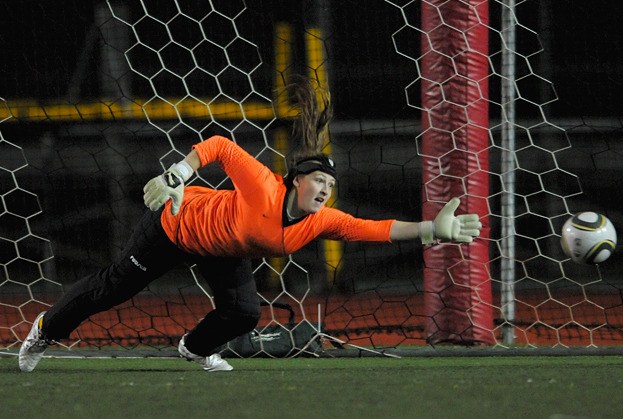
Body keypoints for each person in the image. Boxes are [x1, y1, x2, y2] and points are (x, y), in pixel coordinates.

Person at [18, 81, 482, 373]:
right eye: (318, 180)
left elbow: (375, 228)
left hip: (224, 251)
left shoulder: (321, 220)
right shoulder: (263, 186)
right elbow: (219, 145)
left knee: (242, 314)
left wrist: (432, 230)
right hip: (176, 225)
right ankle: (44, 328)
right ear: (297, 181)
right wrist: (179, 174)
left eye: (330, 184)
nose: (325, 190)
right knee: (113, 289)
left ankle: (194, 349)